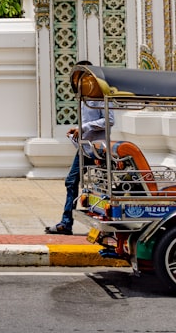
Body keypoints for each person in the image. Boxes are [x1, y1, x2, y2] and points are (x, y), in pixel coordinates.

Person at [45, 61, 113, 235]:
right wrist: (77, 130)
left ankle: (108, 223)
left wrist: (83, 128)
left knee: (103, 187)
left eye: (80, 78)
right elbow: (87, 124)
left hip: (98, 148)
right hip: (85, 148)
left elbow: (109, 120)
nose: (76, 83)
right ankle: (66, 223)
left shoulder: (99, 96)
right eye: (75, 79)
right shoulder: (85, 98)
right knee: (72, 182)